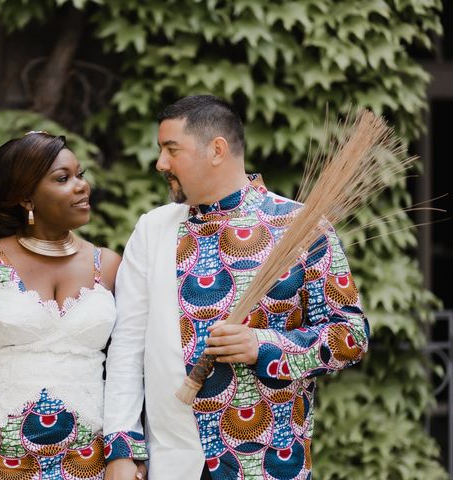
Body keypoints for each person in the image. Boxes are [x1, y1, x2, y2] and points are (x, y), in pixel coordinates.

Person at [103, 95, 370, 479]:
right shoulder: (153, 229)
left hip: (272, 460)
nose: (161, 163)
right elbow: (127, 346)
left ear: (217, 150)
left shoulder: (302, 227)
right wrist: (122, 448)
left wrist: (263, 346)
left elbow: (352, 336)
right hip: (175, 460)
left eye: (171, 149)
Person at [0, 132, 146, 480]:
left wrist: (125, 455)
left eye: (80, 174)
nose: (82, 186)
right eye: (63, 179)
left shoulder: (108, 266)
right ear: (26, 198)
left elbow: (132, 367)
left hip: (90, 462)